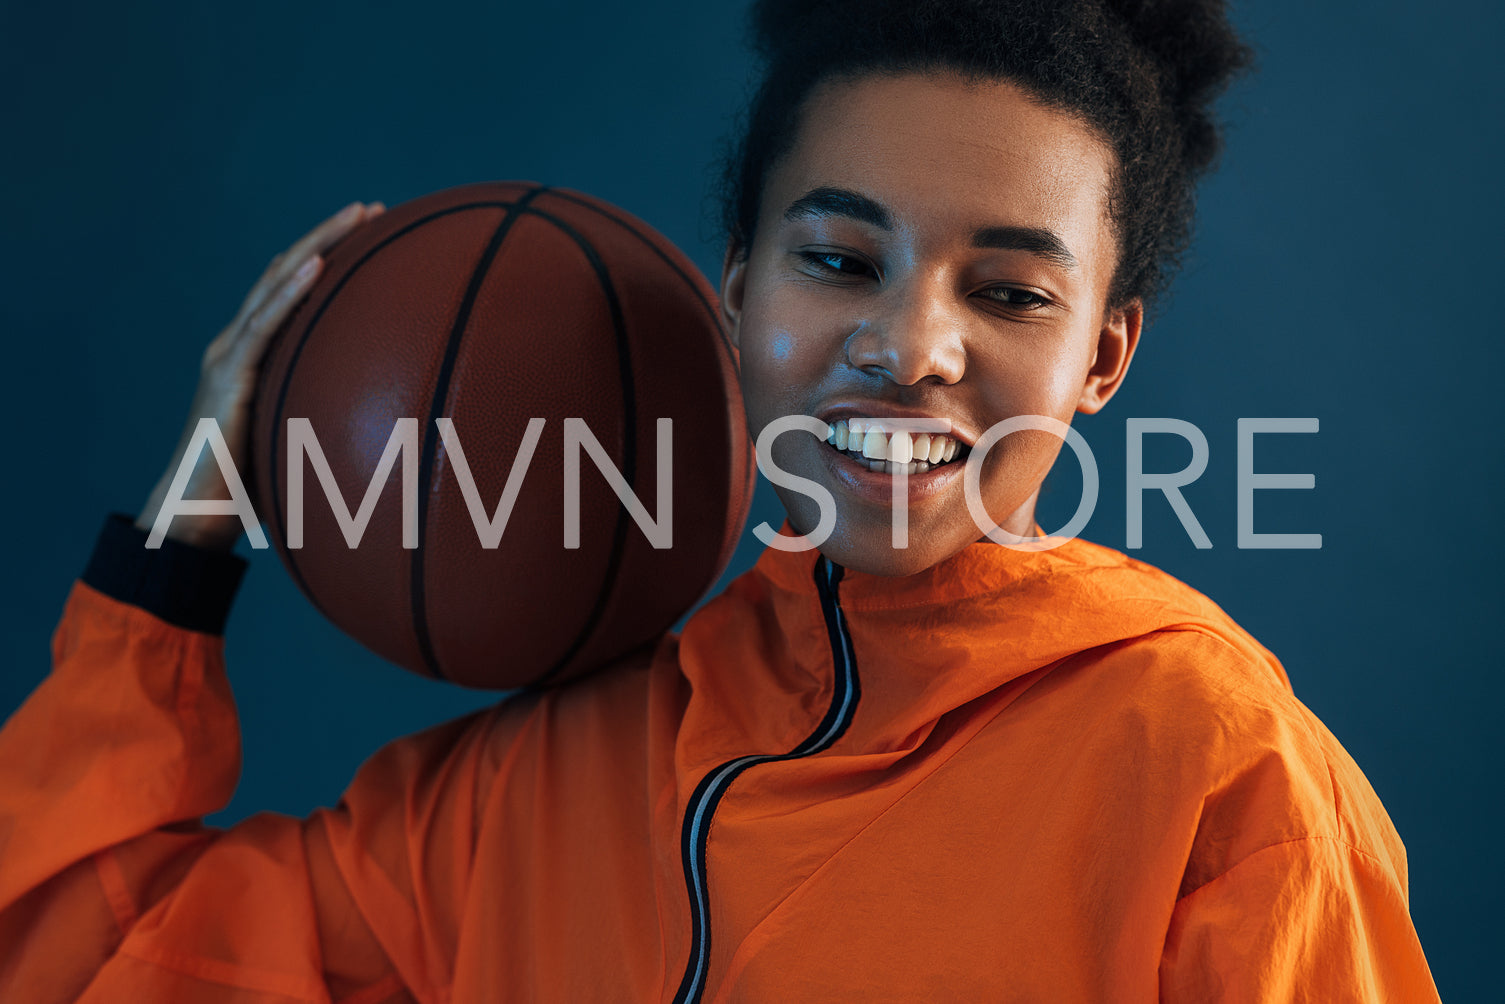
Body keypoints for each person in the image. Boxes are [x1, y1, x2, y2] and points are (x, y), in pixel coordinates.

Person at [0, 0, 1441, 1000]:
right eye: (835, 260)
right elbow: (67, 961)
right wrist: (192, 532)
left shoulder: (1210, 770)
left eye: (1006, 293)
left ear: (1100, 358)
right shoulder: (526, 788)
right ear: (738, 288)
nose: (910, 347)